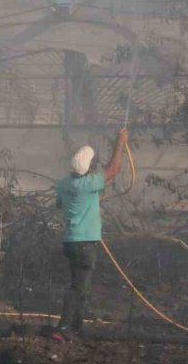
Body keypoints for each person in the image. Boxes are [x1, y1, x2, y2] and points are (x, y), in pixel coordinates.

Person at [52, 128, 128, 341]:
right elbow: (113, 169)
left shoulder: (64, 183)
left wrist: (86, 201)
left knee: (80, 286)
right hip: (85, 244)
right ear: (87, 168)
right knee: (78, 288)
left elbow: (60, 203)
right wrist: (120, 142)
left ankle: (76, 328)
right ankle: (63, 328)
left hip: (71, 242)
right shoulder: (90, 182)